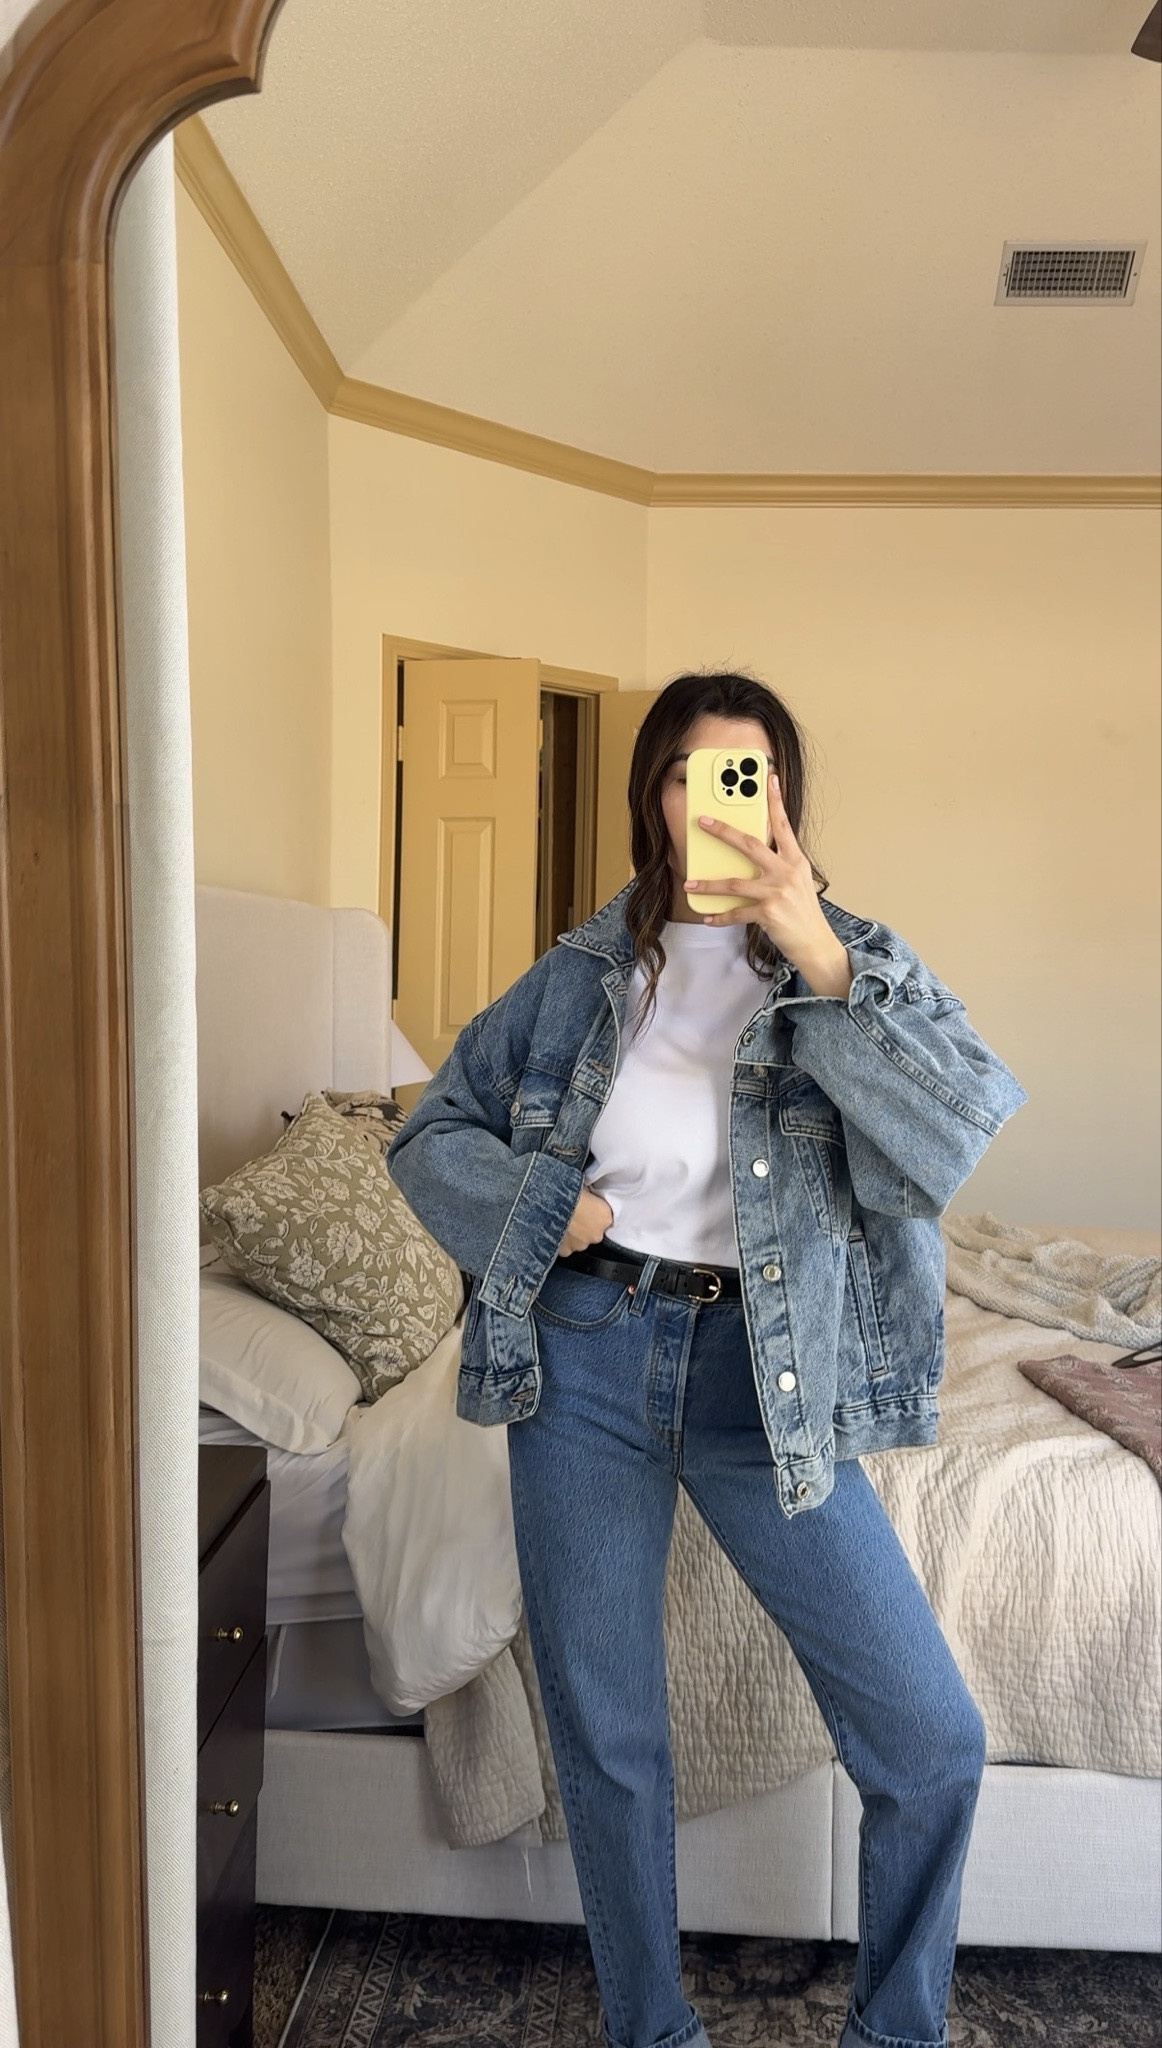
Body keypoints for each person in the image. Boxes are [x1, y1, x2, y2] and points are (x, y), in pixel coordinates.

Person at [386, 670, 1028, 2048]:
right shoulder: (582, 975)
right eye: (690, 774)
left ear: (782, 797)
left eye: (748, 775)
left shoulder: (848, 959)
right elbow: (429, 1133)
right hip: (584, 1363)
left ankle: (894, 2032)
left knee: (930, 1740)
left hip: (766, 1382)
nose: (718, 802)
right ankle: (652, 2031)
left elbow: (948, 1141)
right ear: (655, 797)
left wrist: (816, 953)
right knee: (607, 1738)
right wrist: (542, 1208)